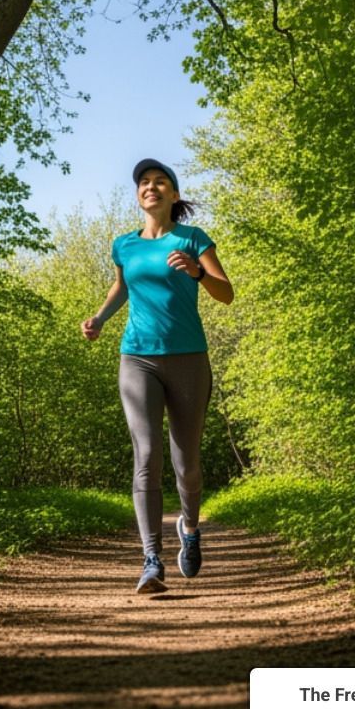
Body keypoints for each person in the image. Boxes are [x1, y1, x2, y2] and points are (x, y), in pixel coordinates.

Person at [81, 159, 234, 594]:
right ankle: (151, 559)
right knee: (146, 456)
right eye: (144, 183)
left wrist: (198, 271)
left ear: (174, 195)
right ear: (138, 195)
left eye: (159, 182)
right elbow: (123, 288)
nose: (151, 187)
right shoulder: (124, 246)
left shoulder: (193, 238)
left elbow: (226, 293)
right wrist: (100, 318)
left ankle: (189, 525)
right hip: (137, 359)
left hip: (188, 359)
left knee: (186, 465)